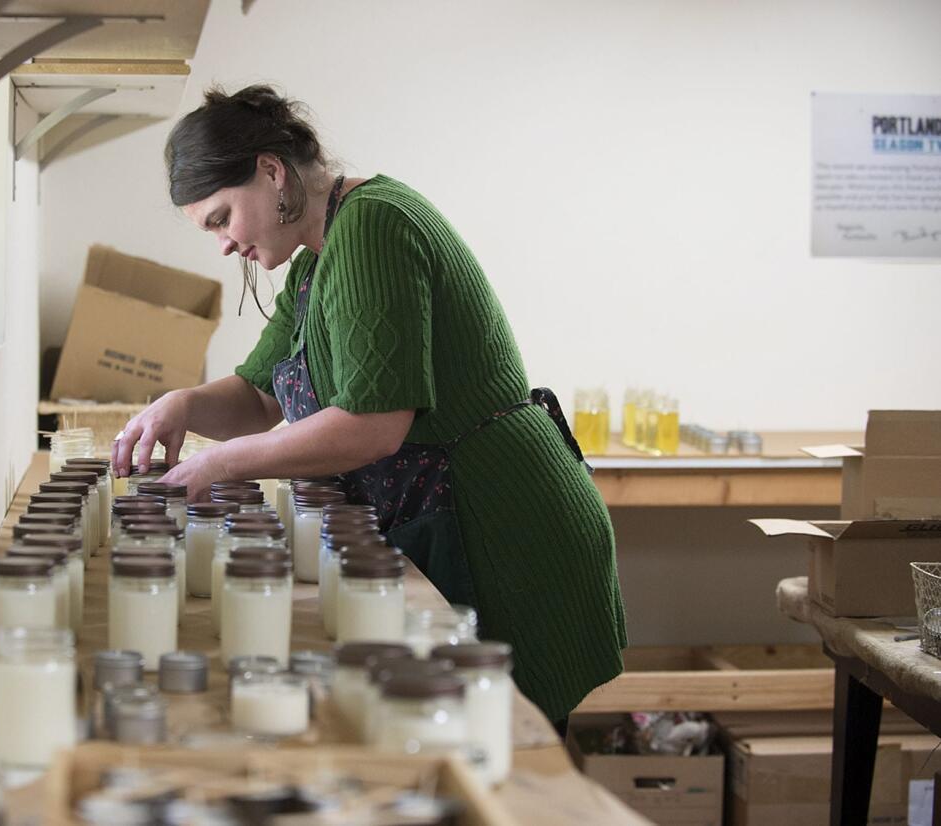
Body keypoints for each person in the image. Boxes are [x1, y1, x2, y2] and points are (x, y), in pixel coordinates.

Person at [110, 84, 626, 730]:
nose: (223, 245)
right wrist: (178, 405)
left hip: (501, 527)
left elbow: (373, 426)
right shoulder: (312, 268)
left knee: (512, 756)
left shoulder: (374, 225)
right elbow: (257, 397)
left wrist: (225, 465)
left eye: (220, 218)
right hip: (445, 517)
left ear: (271, 172)